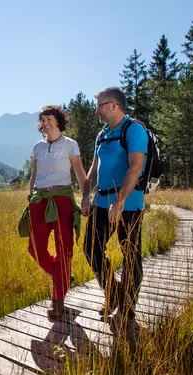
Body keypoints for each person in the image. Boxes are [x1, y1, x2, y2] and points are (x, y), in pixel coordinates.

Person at [83, 87, 148, 341]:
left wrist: (120, 201)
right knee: (91, 248)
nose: (96, 109)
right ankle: (114, 294)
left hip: (128, 204)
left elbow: (135, 167)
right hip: (101, 201)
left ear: (114, 105)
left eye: (100, 105)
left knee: (131, 254)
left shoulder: (134, 130)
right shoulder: (102, 135)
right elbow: (94, 168)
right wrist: (86, 194)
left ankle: (128, 310)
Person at [17, 105, 90, 320]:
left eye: (49, 119)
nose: (45, 123)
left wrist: (85, 197)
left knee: (63, 248)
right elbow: (34, 174)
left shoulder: (70, 145)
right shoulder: (38, 147)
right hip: (39, 200)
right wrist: (31, 194)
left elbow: (80, 172)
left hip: (62, 200)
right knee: (35, 249)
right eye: (42, 119)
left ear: (58, 121)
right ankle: (64, 276)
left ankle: (57, 303)